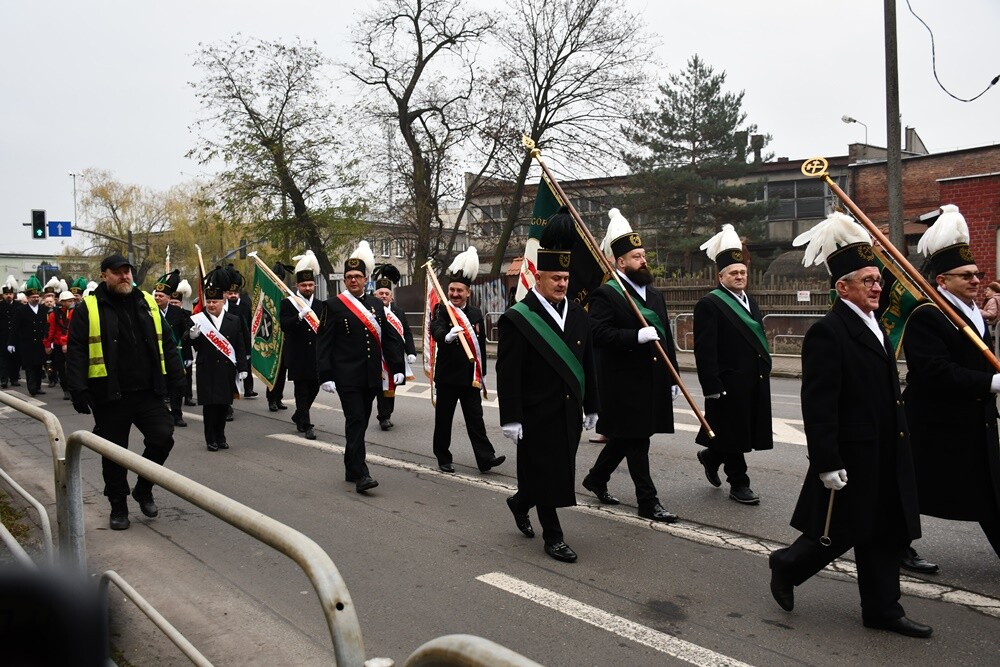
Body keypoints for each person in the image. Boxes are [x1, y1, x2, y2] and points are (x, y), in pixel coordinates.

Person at [769, 212, 929, 638]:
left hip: (885, 446)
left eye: (879, 280)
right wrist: (826, 460)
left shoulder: (876, 325)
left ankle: (882, 610)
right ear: (842, 287)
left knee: (881, 530)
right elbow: (818, 404)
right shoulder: (829, 333)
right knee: (841, 530)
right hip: (853, 452)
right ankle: (786, 566)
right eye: (868, 281)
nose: (879, 287)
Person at [900, 204, 1000, 565]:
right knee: (909, 488)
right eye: (966, 276)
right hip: (932, 420)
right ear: (942, 281)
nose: (976, 280)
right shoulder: (929, 314)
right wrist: (991, 382)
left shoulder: (972, 311)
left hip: (973, 418)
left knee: (989, 487)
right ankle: (896, 546)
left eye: (977, 273)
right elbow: (934, 371)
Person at [498, 213, 599, 562]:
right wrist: (511, 417)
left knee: (556, 469)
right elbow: (508, 372)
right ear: (538, 277)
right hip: (534, 413)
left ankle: (520, 501)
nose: (561, 284)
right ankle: (553, 536)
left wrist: (593, 406)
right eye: (555, 277)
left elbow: (588, 364)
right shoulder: (518, 318)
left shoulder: (579, 315)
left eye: (566, 278)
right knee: (545, 472)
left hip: (568, 412)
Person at [66, 254, 185, 531]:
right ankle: (118, 505)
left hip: (147, 391)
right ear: (104, 275)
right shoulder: (90, 307)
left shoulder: (146, 302)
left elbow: (166, 340)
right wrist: (78, 389)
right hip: (110, 395)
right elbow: (77, 350)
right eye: (118, 272)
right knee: (114, 454)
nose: (125, 276)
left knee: (163, 437)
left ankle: (144, 488)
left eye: (128, 271)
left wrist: (177, 375)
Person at [581, 209, 679, 523]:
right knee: (638, 440)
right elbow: (597, 334)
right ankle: (648, 502)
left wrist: (673, 375)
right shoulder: (606, 294)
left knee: (628, 436)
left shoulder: (654, 295)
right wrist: (634, 335)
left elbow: (665, 335)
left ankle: (596, 478)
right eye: (636, 256)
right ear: (620, 262)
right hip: (621, 381)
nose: (643, 260)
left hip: (651, 378)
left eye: (644, 255)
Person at [693, 224, 772, 504]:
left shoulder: (750, 300)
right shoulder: (710, 304)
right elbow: (704, 349)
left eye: (742, 273)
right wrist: (710, 384)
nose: (739, 277)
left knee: (737, 431)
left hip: (752, 379)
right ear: (721, 276)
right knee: (734, 434)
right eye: (733, 273)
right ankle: (739, 483)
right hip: (727, 381)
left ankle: (711, 455)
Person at [317, 241, 405, 493]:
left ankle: (349, 465)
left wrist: (397, 366)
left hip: (371, 376)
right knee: (355, 420)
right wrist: (325, 375)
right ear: (344, 281)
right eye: (349, 277)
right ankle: (361, 474)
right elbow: (323, 343)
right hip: (346, 377)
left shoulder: (376, 304)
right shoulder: (332, 306)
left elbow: (388, 337)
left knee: (361, 422)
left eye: (357, 276)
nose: (353, 280)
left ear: (366, 279)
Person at [429, 248, 505, 474]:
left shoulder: (475, 313)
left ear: (468, 293)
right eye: (451, 289)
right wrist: (446, 336)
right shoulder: (442, 309)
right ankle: (443, 457)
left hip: (470, 377)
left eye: (459, 290)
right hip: (447, 377)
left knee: (476, 420)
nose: (454, 294)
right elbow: (436, 328)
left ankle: (485, 458)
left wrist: (481, 375)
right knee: (444, 421)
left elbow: (480, 345)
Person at [188, 267, 248, 452]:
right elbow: (190, 342)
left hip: (226, 369)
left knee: (223, 406)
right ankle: (210, 439)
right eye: (209, 301)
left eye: (215, 301)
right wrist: (192, 336)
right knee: (210, 407)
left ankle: (221, 437)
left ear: (223, 301)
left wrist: (243, 367)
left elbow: (239, 344)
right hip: (207, 369)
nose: (212, 305)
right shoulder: (199, 319)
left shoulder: (233, 320)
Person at [280, 250, 326, 441]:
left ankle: (299, 414)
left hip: (316, 355)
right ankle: (307, 425)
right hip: (298, 355)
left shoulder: (321, 305)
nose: (307, 288)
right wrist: (299, 316)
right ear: (297, 285)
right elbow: (284, 325)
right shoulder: (288, 303)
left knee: (314, 388)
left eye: (310, 285)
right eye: (304, 285)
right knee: (302, 390)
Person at [372, 264, 417, 431]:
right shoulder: (370, 309)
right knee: (379, 387)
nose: (384, 296)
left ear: (391, 296)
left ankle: (386, 415)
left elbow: (407, 332)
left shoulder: (398, 311)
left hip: (395, 356)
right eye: (380, 293)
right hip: (377, 355)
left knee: (391, 386)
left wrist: (411, 351)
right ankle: (382, 416)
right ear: (375, 295)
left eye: (386, 294)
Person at [152, 270, 192, 427]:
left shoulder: (178, 313)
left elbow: (185, 335)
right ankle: (162, 414)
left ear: (169, 298)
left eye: (161, 296)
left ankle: (177, 414)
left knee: (177, 385)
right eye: (156, 295)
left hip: (175, 354)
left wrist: (188, 354)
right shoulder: (150, 312)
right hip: (157, 355)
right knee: (160, 386)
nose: (157, 298)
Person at [9, 276, 49, 396]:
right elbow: (15, 328)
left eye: (37, 297)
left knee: (38, 366)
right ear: (28, 298)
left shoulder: (44, 309)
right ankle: (32, 388)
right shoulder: (21, 310)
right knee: (29, 367)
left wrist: (48, 340)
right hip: (27, 344)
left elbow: (47, 326)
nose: (36, 299)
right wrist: (11, 342)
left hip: (40, 343)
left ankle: (38, 387)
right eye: (33, 297)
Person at [224, 265, 256, 401]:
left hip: (244, 338)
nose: (232, 295)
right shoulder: (225, 306)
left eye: (234, 293)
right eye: (230, 293)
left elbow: (248, 324)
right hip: (229, 339)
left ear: (238, 293)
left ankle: (249, 389)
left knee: (246, 365)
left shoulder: (245, 305)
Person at [266, 261, 293, 413]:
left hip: (284, 338)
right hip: (271, 337)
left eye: (280, 278)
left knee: (282, 370)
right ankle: (271, 399)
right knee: (273, 370)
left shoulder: (286, 295)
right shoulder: (268, 294)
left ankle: (279, 397)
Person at [169, 280, 197, 407]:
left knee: (188, 374)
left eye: (176, 303)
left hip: (185, 350)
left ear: (181, 303)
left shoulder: (187, 314)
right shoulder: (166, 314)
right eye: (172, 302)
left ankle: (188, 397)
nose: (174, 304)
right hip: (172, 350)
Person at [43, 290, 76, 401]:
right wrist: (47, 345)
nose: (72, 302)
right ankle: (65, 389)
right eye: (69, 301)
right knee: (61, 368)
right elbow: (50, 330)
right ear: (62, 302)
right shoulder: (54, 314)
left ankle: (74, 389)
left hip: (73, 344)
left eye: (72, 300)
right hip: (58, 345)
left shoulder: (75, 311)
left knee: (74, 368)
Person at [0, 276, 21, 388]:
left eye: (10, 294)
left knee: (15, 359)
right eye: (6, 294)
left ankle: (14, 379)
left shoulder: (19, 306)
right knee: (3, 360)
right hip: (3, 337)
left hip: (16, 337)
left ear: (13, 295)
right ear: (3, 295)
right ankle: (4, 380)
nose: (8, 296)